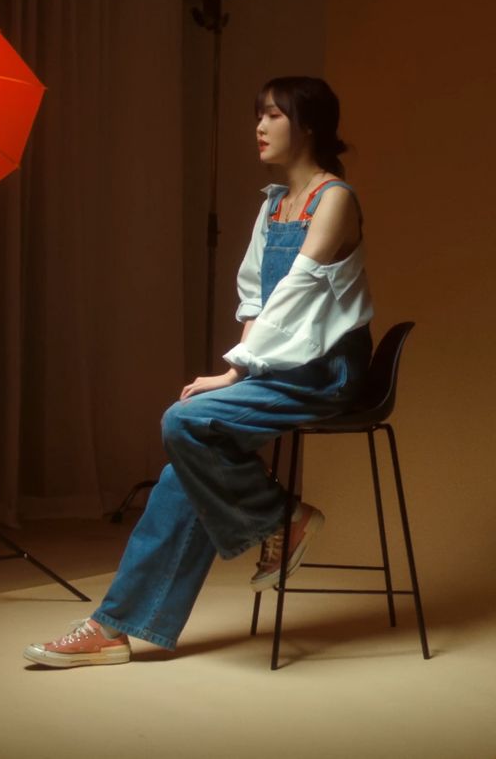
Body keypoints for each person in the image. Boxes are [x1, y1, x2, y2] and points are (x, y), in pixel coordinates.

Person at [24, 76, 373, 667]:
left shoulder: (333, 197)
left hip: (325, 370)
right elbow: (255, 300)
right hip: (279, 364)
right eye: (256, 115)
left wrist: (235, 375)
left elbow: (296, 294)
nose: (259, 127)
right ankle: (119, 626)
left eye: (272, 115)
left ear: (308, 123)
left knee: (183, 422)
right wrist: (241, 365)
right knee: (184, 465)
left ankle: (283, 518)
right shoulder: (273, 204)